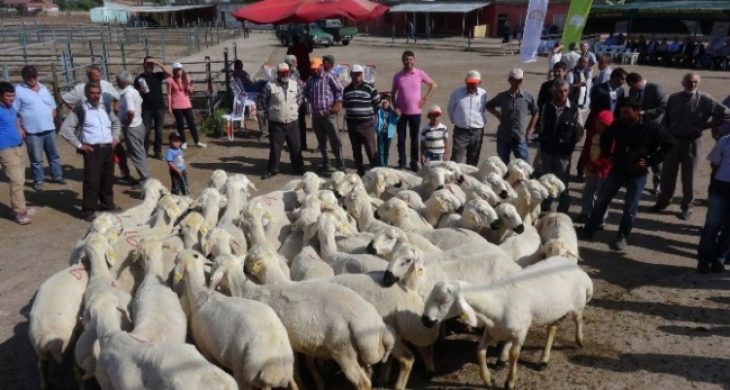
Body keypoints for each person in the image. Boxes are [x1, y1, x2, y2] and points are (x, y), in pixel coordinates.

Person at [578, 98, 676, 251]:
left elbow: (670, 144)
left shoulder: (652, 127)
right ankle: (589, 230)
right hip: (617, 169)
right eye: (622, 111)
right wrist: (607, 154)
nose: (622, 115)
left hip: (637, 173)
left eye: (626, 112)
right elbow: (605, 137)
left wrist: (651, 160)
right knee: (602, 200)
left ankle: (622, 236)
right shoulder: (618, 124)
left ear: (637, 112)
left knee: (630, 208)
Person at [651, 73, 730, 220]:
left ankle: (687, 207)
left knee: (690, 178)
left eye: (695, 82)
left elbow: (726, 114)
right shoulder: (673, 98)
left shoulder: (705, 99)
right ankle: (663, 202)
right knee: (667, 174)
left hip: (692, 143)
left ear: (698, 83)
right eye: (689, 81)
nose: (692, 84)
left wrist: (706, 125)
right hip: (673, 141)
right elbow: (665, 119)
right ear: (683, 82)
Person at [60, 82, 122, 222]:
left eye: (97, 93)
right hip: (92, 151)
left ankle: (107, 204)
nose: (95, 96)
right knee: (92, 181)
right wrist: (79, 144)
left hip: (108, 148)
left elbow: (116, 122)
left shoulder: (105, 107)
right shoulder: (80, 110)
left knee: (107, 179)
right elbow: (65, 129)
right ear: (87, 94)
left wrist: (115, 137)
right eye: (92, 93)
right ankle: (88, 210)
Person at [63, 65, 132, 184]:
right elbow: (65, 98)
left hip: (107, 124)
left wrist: (115, 109)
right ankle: (95, 178)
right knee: (92, 155)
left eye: (99, 76)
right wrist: (78, 113)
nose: (98, 79)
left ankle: (125, 173)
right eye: (95, 77)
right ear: (89, 77)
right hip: (91, 129)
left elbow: (117, 97)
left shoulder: (106, 85)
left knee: (119, 150)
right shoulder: (81, 89)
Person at [536, 79, 583, 213]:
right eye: (559, 91)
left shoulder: (574, 109)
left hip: (563, 153)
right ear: (554, 92)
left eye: (565, 91)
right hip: (547, 151)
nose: (562, 93)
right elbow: (542, 125)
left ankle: (563, 209)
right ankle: (546, 204)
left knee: (562, 183)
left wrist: (570, 144)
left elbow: (580, 131)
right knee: (546, 180)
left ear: (568, 92)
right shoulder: (547, 106)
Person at [14, 65, 64, 191]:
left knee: (54, 155)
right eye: (29, 76)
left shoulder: (43, 88)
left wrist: (51, 115)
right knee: (36, 158)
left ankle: (57, 176)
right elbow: (14, 112)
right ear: (24, 77)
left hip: (49, 128)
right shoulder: (18, 90)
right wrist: (19, 128)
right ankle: (39, 180)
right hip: (32, 131)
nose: (32, 78)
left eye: (33, 76)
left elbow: (52, 105)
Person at [391, 50, 438, 172]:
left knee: (414, 139)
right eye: (406, 59)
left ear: (414, 60)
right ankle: (402, 162)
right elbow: (393, 93)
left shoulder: (419, 73)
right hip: (401, 113)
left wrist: (425, 98)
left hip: (415, 113)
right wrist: (395, 105)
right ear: (403, 61)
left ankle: (413, 162)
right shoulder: (398, 76)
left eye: (411, 59)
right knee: (401, 139)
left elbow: (433, 85)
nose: (408, 62)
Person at [257, 63, 304, 180]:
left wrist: (291, 109)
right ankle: (272, 170)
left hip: (293, 122)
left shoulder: (296, 85)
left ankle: (298, 169)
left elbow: (300, 98)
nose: (284, 74)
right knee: (275, 149)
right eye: (282, 72)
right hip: (276, 123)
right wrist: (271, 113)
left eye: (286, 72)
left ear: (289, 72)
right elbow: (262, 101)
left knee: (296, 147)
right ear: (278, 73)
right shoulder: (269, 86)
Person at [626, 72, 668, 196]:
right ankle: (636, 181)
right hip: (639, 128)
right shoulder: (633, 91)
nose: (631, 89)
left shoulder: (656, 89)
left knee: (655, 158)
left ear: (637, 81)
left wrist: (646, 113)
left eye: (631, 85)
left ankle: (657, 184)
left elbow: (664, 106)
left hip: (655, 128)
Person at [486, 68, 538, 164]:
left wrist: (530, 130)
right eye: (516, 80)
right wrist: (498, 115)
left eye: (520, 80)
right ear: (510, 80)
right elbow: (489, 105)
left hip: (520, 137)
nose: (519, 82)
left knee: (525, 165)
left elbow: (536, 112)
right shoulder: (502, 96)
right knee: (502, 165)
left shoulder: (528, 97)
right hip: (504, 136)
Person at [0, 82, 34, 225]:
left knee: (21, 178)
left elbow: (15, 121)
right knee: (16, 180)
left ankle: (22, 207)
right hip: (5, 149)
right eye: (8, 96)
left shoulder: (10, 108)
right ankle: (19, 212)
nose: (12, 98)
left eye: (13, 95)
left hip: (19, 147)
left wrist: (20, 129)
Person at [304, 57, 345, 172]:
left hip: (329, 115)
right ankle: (326, 162)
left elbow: (340, 90)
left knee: (335, 141)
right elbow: (305, 91)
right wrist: (312, 100)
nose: (315, 71)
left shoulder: (329, 76)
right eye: (313, 69)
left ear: (321, 66)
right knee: (321, 142)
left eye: (317, 68)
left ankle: (340, 164)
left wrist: (337, 105)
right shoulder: (311, 79)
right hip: (316, 116)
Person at [697, 134, 730, 273]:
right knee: (711, 225)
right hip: (721, 188)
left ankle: (720, 259)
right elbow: (714, 164)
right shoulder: (725, 140)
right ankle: (704, 260)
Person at [576, 110, 614, 224]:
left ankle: (601, 217)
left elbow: (610, 155)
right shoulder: (592, 133)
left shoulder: (612, 137)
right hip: (590, 168)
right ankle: (585, 212)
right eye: (597, 123)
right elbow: (586, 149)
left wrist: (596, 165)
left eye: (601, 124)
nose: (598, 126)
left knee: (602, 195)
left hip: (603, 170)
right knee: (588, 191)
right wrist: (586, 163)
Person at [343, 64, 380, 176]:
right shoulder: (346, 90)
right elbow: (345, 104)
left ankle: (375, 173)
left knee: (371, 150)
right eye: (355, 74)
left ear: (362, 75)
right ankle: (361, 173)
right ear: (351, 75)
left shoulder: (369, 88)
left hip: (366, 124)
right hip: (352, 124)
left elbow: (377, 103)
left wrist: (371, 115)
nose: (357, 76)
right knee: (356, 151)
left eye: (359, 74)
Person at [117, 71, 149, 189]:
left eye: (118, 80)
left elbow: (130, 111)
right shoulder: (134, 91)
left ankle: (145, 179)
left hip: (132, 127)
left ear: (122, 81)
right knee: (140, 152)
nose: (117, 82)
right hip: (138, 125)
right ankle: (145, 177)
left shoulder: (127, 94)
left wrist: (126, 122)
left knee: (136, 154)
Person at [447, 70, 488, 165]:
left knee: (473, 160)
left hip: (477, 131)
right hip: (461, 132)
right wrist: (457, 121)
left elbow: (484, 109)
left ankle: (470, 179)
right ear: (466, 81)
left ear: (479, 83)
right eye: (470, 83)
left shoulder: (483, 94)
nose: (472, 85)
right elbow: (450, 109)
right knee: (456, 160)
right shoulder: (456, 93)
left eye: (474, 83)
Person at [134, 56, 171, 160]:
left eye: (151, 64)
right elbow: (136, 93)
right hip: (146, 109)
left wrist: (158, 63)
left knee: (159, 132)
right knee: (146, 132)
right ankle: (145, 152)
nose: (150, 66)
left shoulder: (157, 75)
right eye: (148, 64)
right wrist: (140, 90)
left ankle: (157, 152)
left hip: (159, 108)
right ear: (144, 65)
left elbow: (170, 73)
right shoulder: (139, 78)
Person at [167, 63, 205, 150]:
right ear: (173, 70)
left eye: (179, 69)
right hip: (176, 105)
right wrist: (169, 107)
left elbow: (191, 91)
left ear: (182, 69)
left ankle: (197, 141)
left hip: (186, 103)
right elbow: (169, 94)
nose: (178, 71)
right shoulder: (170, 80)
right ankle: (183, 142)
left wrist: (190, 88)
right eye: (176, 69)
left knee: (191, 123)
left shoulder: (186, 78)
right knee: (180, 125)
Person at [285, 54, 310, 153]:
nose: (297, 63)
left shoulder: (296, 72)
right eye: (295, 62)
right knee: (290, 125)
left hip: (300, 102)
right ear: (289, 63)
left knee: (301, 124)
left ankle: (303, 144)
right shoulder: (283, 73)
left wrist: (301, 83)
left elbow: (299, 83)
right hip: (290, 103)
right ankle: (292, 144)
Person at [375, 93, 399, 167]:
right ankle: (381, 165)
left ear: (389, 103)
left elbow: (395, 121)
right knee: (380, 149)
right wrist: (380, 103)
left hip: (389, 133)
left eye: (387, 102)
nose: (385, 104)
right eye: (384, 102)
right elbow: (375, 109)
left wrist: (397, 115)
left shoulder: (392, 112)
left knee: (386, 150)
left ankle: (385, 164)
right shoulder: (379, 111)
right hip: (380, 132)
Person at [566, 56, 592, 123]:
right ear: (578, 62)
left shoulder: (586, 72)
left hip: (583, 103)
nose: (585, 64)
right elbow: (568, 86)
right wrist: (579, 84)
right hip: (573, 103)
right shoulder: (571, 73)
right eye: (584, 62)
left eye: (586, 62)